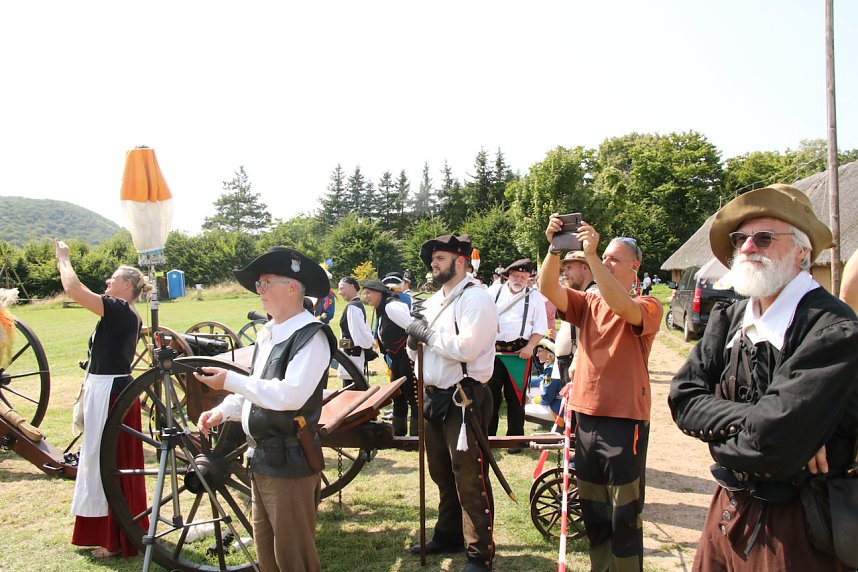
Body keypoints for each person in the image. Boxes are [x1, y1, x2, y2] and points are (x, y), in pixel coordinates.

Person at [668, 184, 858, 571]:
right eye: (741, 238)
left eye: (764, 238)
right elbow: (683, 399)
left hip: (796, 523)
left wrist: (722, 432)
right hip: (725, 505)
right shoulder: (729, 318)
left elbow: (772, 447)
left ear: (801, 252)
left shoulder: (833, 328)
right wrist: (752, 420)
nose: (748, 247)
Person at [196, 247, 334, 572]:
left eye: (265, 283)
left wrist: (230, 381)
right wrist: (225, 410)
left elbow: (290, 396)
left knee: (293, 559)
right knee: (269, 556)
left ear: (291, 287)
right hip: (261, 460)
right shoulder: (268, 333)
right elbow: (257, 387)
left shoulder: (311, 337)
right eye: (259, 285)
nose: (259, 292)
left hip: (290, 463)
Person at [538, 218, 662, 571]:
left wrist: (592, 258)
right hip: (586, 415)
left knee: (624, 513)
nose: (605, 262)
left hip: (625, 421)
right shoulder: (588, 304)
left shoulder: (649, 304)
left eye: (613, 259)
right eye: (603, 257)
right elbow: (549, 287)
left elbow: (623, 308)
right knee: (593, 510)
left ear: (634, 267)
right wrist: (553, 248)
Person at [405, 234, 499, 572]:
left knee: (469, 477)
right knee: (441, 473)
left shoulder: (477, 300)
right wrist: (413, 341)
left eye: (440, 258)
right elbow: (414, 350)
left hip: (464, 398)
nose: (433, 263)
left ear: (461, 262)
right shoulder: (433, 302)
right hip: (433, 397)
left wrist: (426, 335)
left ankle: (479, 553)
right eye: (432, 258)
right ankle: (449, 534)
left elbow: (466, 349)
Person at [55, 239, 149, 559]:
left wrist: (63, 259)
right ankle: (104, 531)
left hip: (111, 393)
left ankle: (115, 538)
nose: (107, 282)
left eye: (112, 278)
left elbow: (73, 289)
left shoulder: (121, 309)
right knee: (98, 461)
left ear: (127, 285)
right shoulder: (122, 311)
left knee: (109, 462)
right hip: (105, 389)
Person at [486, 258, 548, 440]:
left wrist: (530, 347)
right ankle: (488, 437)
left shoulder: (535, 297)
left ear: (529, 277)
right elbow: (479, 316)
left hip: (520, 353)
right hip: (494, 353)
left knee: (516, 398)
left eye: (523, 276)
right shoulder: (493, 292)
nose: (519, 279)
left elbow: (540, 328)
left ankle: (515, 439)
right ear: (508, 276)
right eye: (516, 275)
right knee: (491, 398)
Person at [362, 279, 417, 436]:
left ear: (379, 293)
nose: (365, 296)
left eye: (368, 292)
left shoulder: (392, 307)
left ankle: (416, 436)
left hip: (407, 357)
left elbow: (413, 328)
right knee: (397, 395)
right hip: (396, 358)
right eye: (364, 293)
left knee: (413, 397)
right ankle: (399, 434)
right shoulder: (382, 308)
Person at [555, 251, 598, 384]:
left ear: (585, 267)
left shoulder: (594, 294)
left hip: (577, 363)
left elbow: (594, 334)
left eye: (569, 268)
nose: (565, 273)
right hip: (568, 362)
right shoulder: (579, 293)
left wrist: (577, 359)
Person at [336, 276, 374, 386]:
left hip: (352, 356)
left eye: (341, 288)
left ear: (352, 287)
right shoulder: (355, 305)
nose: (339, 292)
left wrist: (367, 347)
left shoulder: (353, 307)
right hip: (350, 355)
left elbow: (359, 334)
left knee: (352, 388)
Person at [524, 338, 563, 427]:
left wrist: (536, 400)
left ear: (549, 353)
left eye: (540, 351)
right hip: (562, 407)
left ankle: (555, 426)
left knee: (523, 410)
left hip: (558, 410)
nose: (537, 355)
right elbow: (541, 380)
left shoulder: (551, 370)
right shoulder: (553, 366)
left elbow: (547, 396)